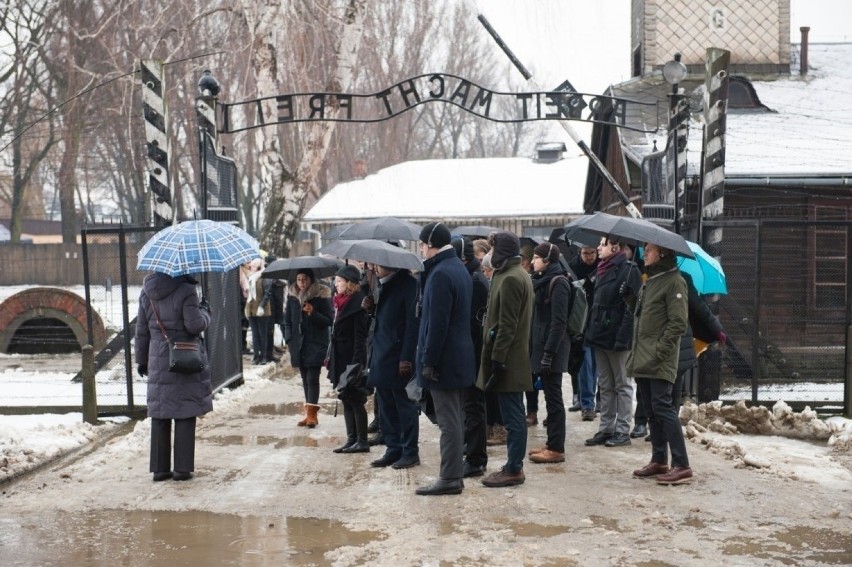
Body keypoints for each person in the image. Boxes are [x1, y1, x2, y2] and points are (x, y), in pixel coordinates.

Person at [414, 222, 475, 496]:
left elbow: (437, 324)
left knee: (449, 422)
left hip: (446, 360)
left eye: (422, 245)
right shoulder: (457, 268)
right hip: (459, 356)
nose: (421, 250)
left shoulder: (440, 273)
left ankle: (450, 477)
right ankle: (454, 475)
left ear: (430, 244)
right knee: (454, 419)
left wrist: (429, 360)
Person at [135, 271, 212, 482]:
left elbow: (142, 330)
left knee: (160, 412)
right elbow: (194, 325)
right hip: (183, 355)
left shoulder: (146, 291)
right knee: (185, 411)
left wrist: (142, 361)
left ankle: (160, 470)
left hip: (157, 357)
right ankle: (182, 469)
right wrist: (205, 312)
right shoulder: (186, 290)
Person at [625, 243, 692, 484]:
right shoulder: (651, 280)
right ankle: (659, 460)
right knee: (651, 410)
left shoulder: (675, 281)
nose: (645, 254)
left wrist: (659, 351)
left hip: (658, 357)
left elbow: (678, 323)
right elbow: (644, 317)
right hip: (643, 355)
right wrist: (630, 299)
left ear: (662, 253)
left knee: (664, 408)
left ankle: (682, 464)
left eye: (649, 250)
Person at [477, 230, 534, 488]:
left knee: (513, 416)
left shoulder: (512, 278)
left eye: (493, 249)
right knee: (513, 412)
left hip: (508, 358)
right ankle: (512, 465)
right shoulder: (509, 273)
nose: (489, 254)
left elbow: (508, 325)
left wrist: (498, 360)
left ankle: (514, 468)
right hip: (506, 354)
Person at [584, 236, 642, 448]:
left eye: (603, 244)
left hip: (617, 338)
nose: (598, 247)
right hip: (600, 336)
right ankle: (606, 428)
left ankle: (622, 430)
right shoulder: (601, 269)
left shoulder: (629, 271)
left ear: (615, 247)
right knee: (605, 385)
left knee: (623, 385)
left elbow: (632, 309)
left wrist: (622, 338)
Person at [363, 263, 420, 468]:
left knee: (404, 406)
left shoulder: (409, 285)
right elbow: (382, 320)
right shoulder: (383, 284)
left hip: (398, 357)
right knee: (385, 405)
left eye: (380, 265)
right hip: (382, 354)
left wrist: (406, 357)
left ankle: (410, 451)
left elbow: (412, 325)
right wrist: (371, 308)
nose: (376, 268)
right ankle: (393, 447)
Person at [527, 242, 571, 464]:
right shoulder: (542, 281)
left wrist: (548, 353)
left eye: (536, 257)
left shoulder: (559, 282)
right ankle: (551, 443)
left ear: (548, 260)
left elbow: (558, 323)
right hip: (543, 347)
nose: (532, 261)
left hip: (552, 349)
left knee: (554, 399)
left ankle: (557, 448)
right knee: (550, 398)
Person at [451, 235, 490, 478]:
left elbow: (474, 323)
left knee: (473, 405)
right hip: (471, 350)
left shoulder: (474, 281)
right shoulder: (472, 276)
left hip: (474, 353)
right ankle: (471, 450)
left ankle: (476, 459)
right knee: (469, 406)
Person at [328, 265, 371, 453]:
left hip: (352, 359)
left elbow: (360, 338)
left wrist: (356, 364)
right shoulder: (339, 302)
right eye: (336, 281)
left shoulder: (358, 304)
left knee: (356, 398)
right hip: (340, 357)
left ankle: (362, 440)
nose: (336, 285)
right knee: (345, 397)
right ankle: (351, 438)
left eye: (339, 281)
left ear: (350, 284)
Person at [284, 268, 333, 428]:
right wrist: (289, 338)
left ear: (311, 280)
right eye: (299, 279)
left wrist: (313, 313)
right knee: (305, 378)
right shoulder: (292, 296)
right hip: (298, 343)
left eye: (305, 279)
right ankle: (308, 413)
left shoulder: (321, 295)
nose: (302, 282)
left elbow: (328, 320)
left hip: (315, 342)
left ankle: (312, 415)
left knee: (313, 378)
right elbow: (288, 320)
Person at [567, 245, 598, 421]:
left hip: (597, 319)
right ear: (580, 253)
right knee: (584, 363)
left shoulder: (602, 266)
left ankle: (591, 400)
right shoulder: (572, 267)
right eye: (586, 253)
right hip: (580, 320)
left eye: (592, 252)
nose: (589, 257)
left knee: (594, 364)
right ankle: (587, 403)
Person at [244, 258, 273, 365]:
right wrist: (246, 308)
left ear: (259, 267)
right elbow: (249, 294)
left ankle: (264, 356)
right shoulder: (251, 278)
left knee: (262, 334)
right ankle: (256, 356)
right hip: (251, 308)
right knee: (255, 334)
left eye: (253, 266)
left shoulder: (264, 276)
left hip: (262, 309)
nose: (251, 268)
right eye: (251, 266)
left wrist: (261, 306)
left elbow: (267, 292)